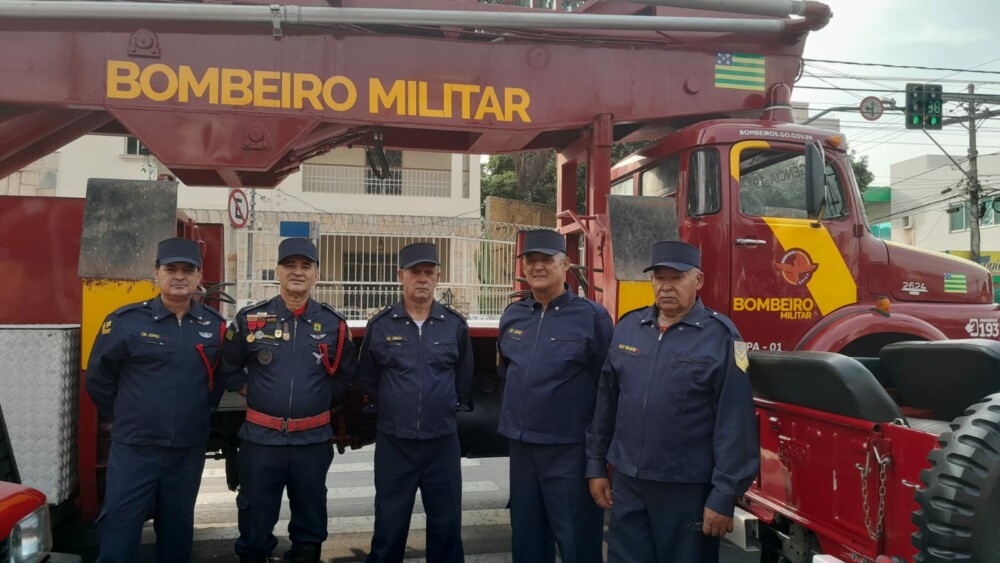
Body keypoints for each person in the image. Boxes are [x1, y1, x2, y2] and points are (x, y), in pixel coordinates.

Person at [586, 240, 759, 563]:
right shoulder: (628, 328)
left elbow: (735, 422)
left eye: (677, 278)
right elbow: (606, 403)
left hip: (686, 489)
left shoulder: (721, 336)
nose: (666, 287)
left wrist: (724, 494)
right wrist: (596, 465)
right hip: (629, 483)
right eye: (659, 278)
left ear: (698, 280)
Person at [86, 237, 227, 563]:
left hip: (186, 451)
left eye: (187, 270)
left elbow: (217, 382)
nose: (179, 276)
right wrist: (131, 415)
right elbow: (99, 379)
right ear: (156, 273)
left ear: (198, 276)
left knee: (177, 537)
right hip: (135, 450)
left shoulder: (214, 326)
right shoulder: (126, 322)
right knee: (119, 536)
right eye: (171, 268)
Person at [219, 238, 357, 563]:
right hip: (261, 440)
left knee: (310, 523)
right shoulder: (250, 319)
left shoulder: (334, 325)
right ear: (278, 272)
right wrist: (250, 390)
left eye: (305, 266)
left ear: (315, 275)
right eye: (290, 265)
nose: (298, 272)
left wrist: (317, 398)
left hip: (312, 441)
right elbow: (228, 367)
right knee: (254, 523)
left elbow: (346, 376)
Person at [497, 229, 614, 563]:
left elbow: (607, 387)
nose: (537, 267)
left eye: (546, 260)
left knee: (577, 543)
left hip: (569, 450)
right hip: (522, 449)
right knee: (527, 539)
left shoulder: (591, 317)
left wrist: (597, 457)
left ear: (566, 264)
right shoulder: (513, 315)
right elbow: (507, 371)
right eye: (530, 260)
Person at [358, 242, 472, 563]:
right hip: (395, 443)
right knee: (389, 528)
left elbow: (463, 378)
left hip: (442, 442)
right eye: (415, 272)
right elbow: (368, 377)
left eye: (429, 272)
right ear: (401, 276)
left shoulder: (454, 325)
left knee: (446, 529)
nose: (422, 278)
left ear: (438, 277)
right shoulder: (381, 325)